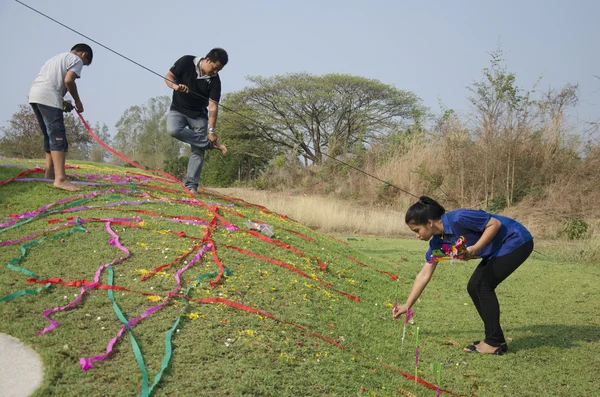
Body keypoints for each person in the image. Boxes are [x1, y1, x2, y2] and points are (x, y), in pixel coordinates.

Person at [392, 196, 533, 355]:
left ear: (429, 223)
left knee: (482, 286)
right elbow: (425, 273)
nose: (416, 235)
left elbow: (495, 224)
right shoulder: (437, 244)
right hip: (497, 249)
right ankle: (495, 339)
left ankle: (494, 342)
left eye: (417, 230)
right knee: (474, 287)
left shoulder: (459, 218)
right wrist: (407, 304)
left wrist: (474, 249)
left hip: (516, 240)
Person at [29, 43, 93, 192]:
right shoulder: (76, 60)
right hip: (48, 97)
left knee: (49, 136)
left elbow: (52, 82)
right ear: (84, 55)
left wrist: (62, 102)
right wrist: (78, 101)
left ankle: (50, 173)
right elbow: (68, 81)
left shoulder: (56, 58)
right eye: (84, 64)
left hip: (35, 95)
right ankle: (61, 179)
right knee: (58, 137)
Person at [164, 48, 229, 193]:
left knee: (197, 151)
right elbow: (169, 76)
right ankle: (210, 145)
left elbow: (213, 106)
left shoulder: (215, 81)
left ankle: (191, 186)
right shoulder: (186, 61)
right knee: (173, 130)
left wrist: (211, 130)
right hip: (178, 109)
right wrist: (175, 86)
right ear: (207, 60)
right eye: (214, 68)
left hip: (198, 115)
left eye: (219, 70)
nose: (215, 72)